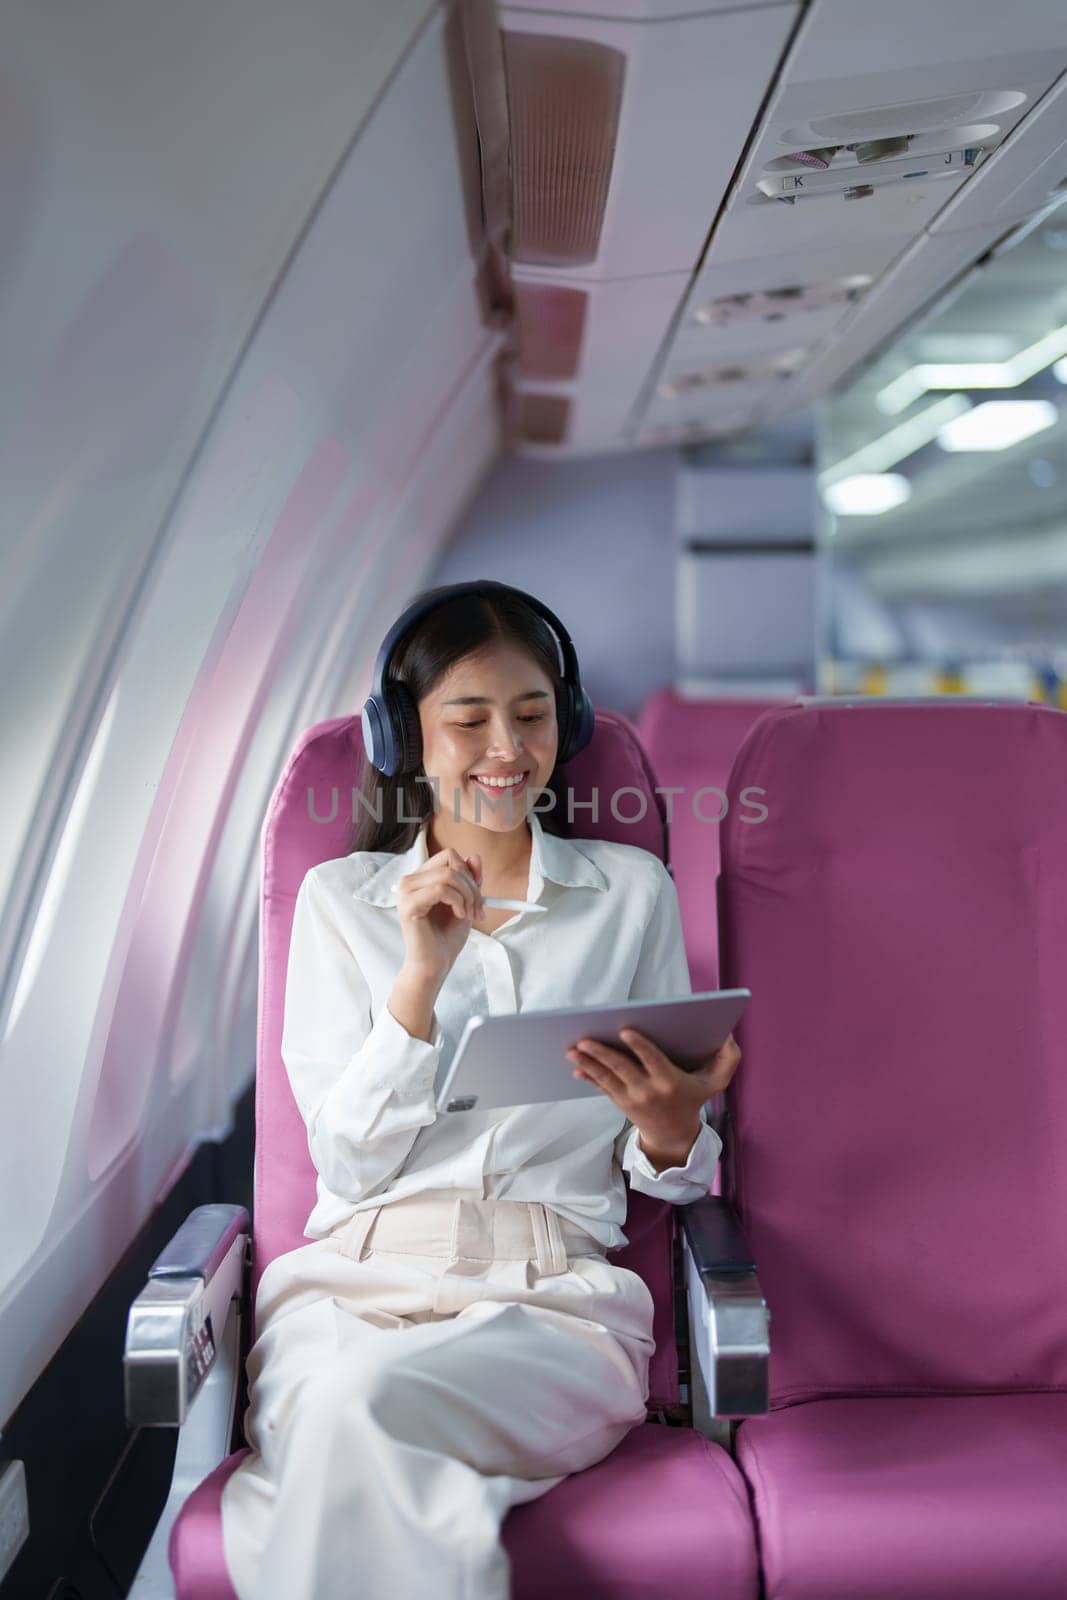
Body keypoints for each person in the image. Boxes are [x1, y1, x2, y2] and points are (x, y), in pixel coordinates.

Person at [219, 583, 741, 1600]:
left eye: (533, 714)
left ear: (567, 721)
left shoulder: (627, 892)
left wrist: (674, 1132)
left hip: (551, 1306)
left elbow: (674, 1179)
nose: (505, 747)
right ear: (404, 736)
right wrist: (417, 976)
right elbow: (351, 1160)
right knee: (350, 1403)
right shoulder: (340, 905)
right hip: (351, 1289)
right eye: (467, 719)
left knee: (350, 1419)